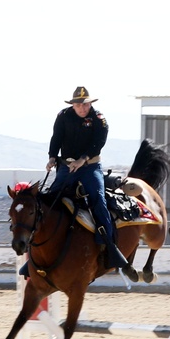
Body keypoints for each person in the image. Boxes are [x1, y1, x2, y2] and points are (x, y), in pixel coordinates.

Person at [45, 86, 129, 271]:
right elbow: (56, 137)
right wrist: (52, 156)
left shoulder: (99, 119)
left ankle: (108, 244)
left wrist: (82, 160)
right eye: (79, 105)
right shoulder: (63, 116)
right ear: (73, 105)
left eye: (86, 104)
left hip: (90, 166)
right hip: (67, 166)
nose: (83, 108)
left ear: (90, 103)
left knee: (98, 198)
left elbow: (98, 143)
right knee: (51, 198)